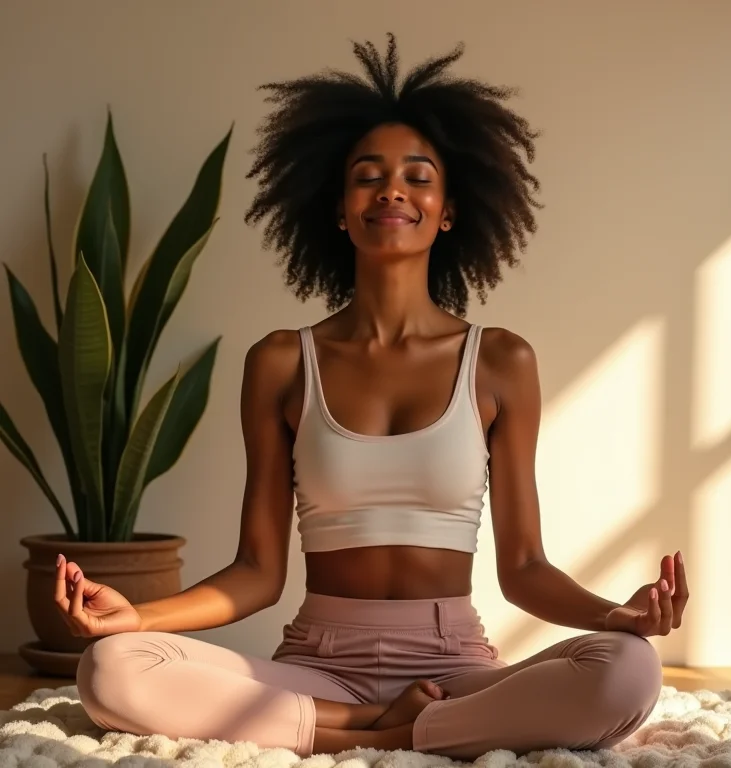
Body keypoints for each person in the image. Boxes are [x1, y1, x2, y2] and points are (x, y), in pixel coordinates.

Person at [56, 34, 688, 760]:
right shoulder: (281, 362)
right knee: (111, 668)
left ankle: (383, 727)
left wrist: (617, 613)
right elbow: (258, 573)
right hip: (316, 663)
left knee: (629, 670)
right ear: (338, 209)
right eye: (368, 176)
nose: (393, 189)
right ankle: (375, 728)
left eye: (418, 176)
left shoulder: (501, 361)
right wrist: (137, 617)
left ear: (449, 209)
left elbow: (524, 570)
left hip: (456, 666)